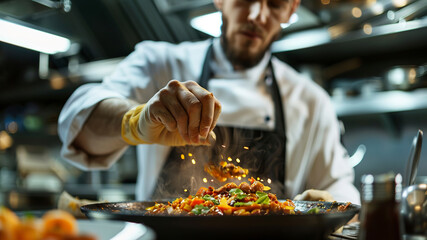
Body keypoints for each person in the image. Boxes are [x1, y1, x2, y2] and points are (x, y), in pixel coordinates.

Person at [58, 0, 360, 203]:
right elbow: (76, 119)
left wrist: (329, 207)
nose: (257, 15)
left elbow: (338, 187)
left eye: (276, 3)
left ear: (291, 9)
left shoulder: (311, 100)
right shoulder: (159, 62)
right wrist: (136, 121)